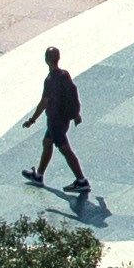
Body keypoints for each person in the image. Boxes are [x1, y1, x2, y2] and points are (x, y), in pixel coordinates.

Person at [20, 46, 90, 188]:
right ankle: (39, 175)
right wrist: (76, 115)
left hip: (55, 122)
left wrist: (32, 120)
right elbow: (72, 95)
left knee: (66, 150)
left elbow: (44, 102)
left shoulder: (50, 80)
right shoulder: (65, 75)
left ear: (46, 60)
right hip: (63, 120)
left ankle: (81, 181)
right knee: (47, 142)